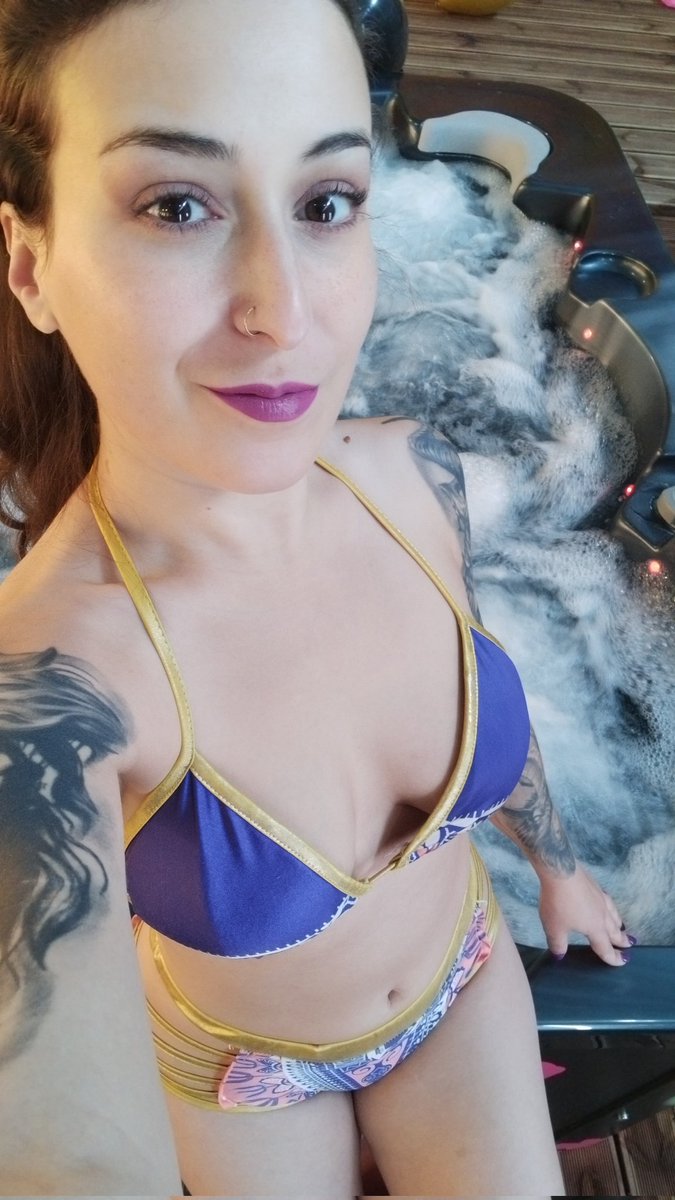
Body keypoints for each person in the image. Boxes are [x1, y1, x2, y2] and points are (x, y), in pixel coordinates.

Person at [0, 0, 633, 1194]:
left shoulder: (412, 475)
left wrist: (557, 867)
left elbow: (478, 680)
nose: (282, 313)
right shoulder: (50, 680)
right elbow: (58, 1141)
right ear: (32, 265)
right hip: (248, 1072)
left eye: (327, 201)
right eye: (175, 206)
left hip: (461, 982)